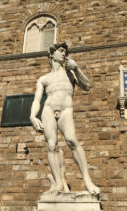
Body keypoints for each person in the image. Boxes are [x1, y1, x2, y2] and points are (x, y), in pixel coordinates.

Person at [30, 42, 100, 194]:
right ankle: (58, 184)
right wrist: (32, 116)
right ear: (52, 54)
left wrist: (76, 68)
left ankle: (87, 181)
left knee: (72, 140)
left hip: (66, 110)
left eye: (65, 52)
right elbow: (37, 100)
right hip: (48, 110)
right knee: (52, 145)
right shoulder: (44, 78)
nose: (64, 54)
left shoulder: (71, 73)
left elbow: (87, 85)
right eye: (61, 51)